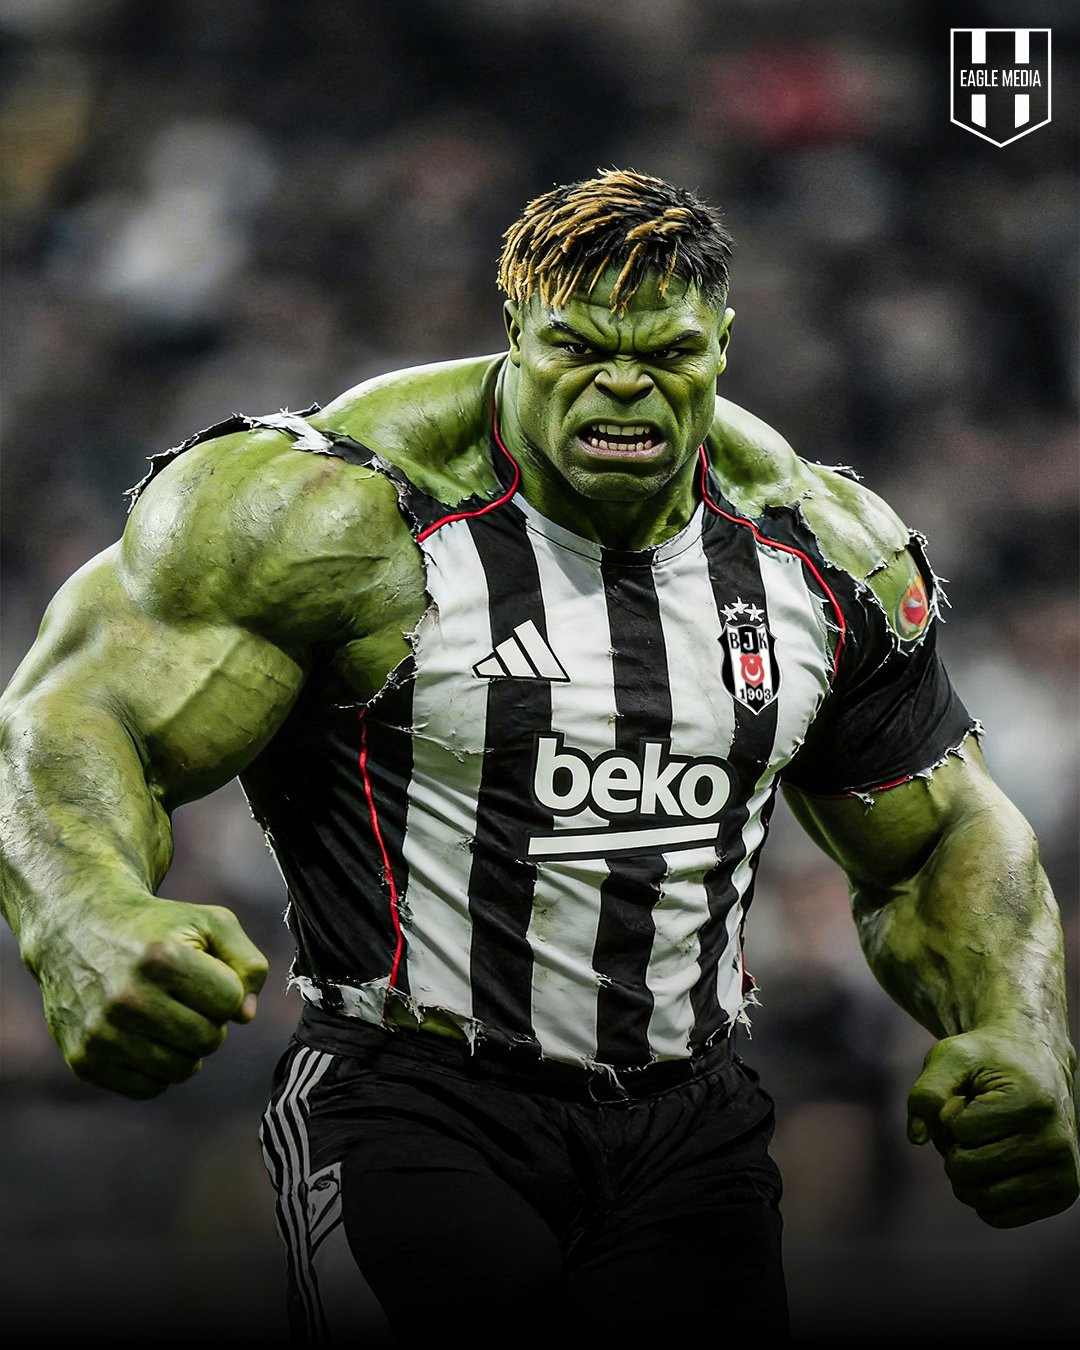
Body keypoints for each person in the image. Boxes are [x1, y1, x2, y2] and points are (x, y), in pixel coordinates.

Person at [0, 169, 1076, 1345]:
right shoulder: (327, 512)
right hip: (412, 1103)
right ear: (514, 330)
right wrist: (84, 910)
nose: (623, 384)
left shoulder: (823, 548)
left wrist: (1021, 1026)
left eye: (666, 352)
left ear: (722, 345)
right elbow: (75, 715)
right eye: (577, 347)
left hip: (693, 1124)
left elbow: (939, 835)